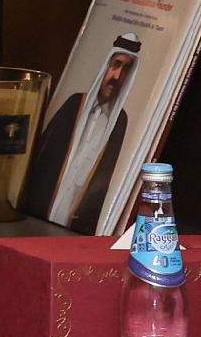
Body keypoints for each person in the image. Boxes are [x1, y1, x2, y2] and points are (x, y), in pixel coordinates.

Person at [16, 34, 140, 235]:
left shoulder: (120, 121)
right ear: (106, 67)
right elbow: (42, 157)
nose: (117, 76)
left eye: (126, 70)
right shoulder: (75, 104)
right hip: (40, 217)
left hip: (77, 223)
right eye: (116, 65)